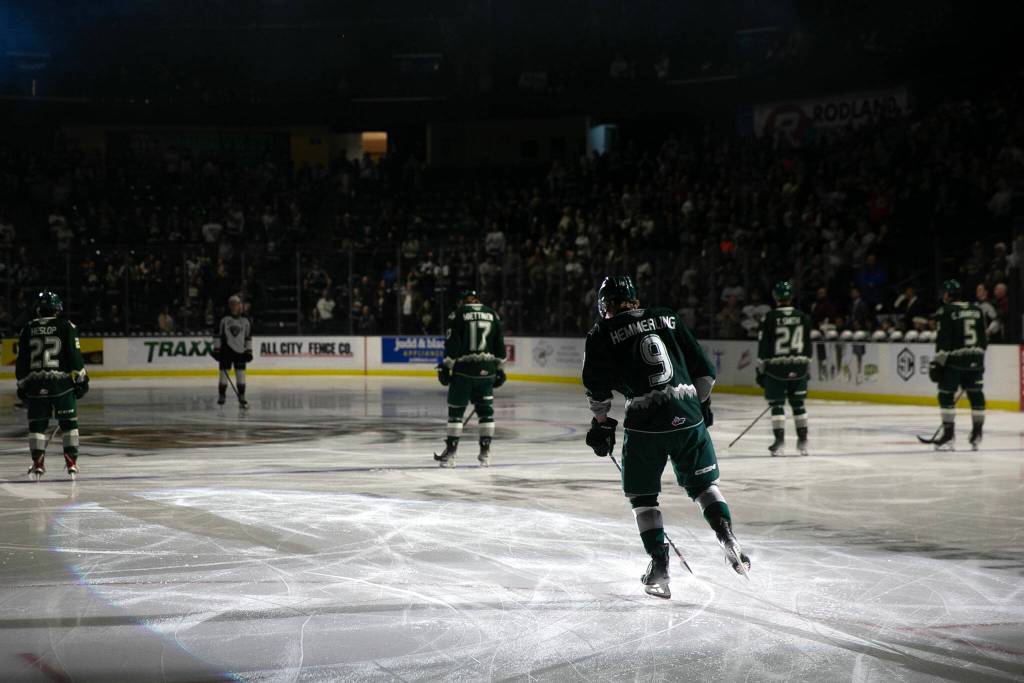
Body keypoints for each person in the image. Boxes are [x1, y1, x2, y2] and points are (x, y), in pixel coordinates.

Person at [582, 275, 749, 599]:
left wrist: (601, 424)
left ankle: (659, 564)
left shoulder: (601, 332)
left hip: (645, 423)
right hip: (687, 412)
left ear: (607, 304)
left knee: (643, 497)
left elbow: (597, 389)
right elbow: (705, 372)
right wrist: (699, 405)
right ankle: (726, 536)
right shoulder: (667, 316)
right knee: (703, 486)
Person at [15, 291, 89, 479]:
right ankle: (71, 461)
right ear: (57, 308)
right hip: (61, 386)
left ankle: (37, 462)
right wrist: (82, 380)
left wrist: (22, 385)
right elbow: (74, 357)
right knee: (69, 425)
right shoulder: (66, 326)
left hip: (35, 385)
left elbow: (22, 362)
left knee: (37, 427)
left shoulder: (27, 328)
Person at [435, 290, 506, 467]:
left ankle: (450, 454)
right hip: (487, 371)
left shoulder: (458, 314)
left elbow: (453, 345)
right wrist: (500, 370)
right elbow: (500, 345)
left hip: (464, 372)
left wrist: (446, 367)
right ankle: (485, 454)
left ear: (463, 301)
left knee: (456, 414)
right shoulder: (492, 314)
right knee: (486, 414)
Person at [928, 279, 986, 450]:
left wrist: (938, 364)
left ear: (947, 294)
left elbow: (943, 342)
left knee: (945, 395)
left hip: (954, 361)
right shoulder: (977, 310)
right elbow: (984, 339)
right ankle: (977, 434)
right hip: (976, 359)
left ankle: (948, 435)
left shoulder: (945, 311)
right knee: (976, 395)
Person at [757, 281, 813, 456]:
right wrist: (806, 367)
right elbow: (808, 344)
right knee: (799, 404)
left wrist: (760, 370)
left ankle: (779, 443)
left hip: (776, 369)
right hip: (799, 366)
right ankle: (803, 443)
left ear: (775, 297)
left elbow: (763, 346)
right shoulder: (802, 316)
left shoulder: (770, 317)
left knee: (777, 405)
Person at [212, 294, 252, 408]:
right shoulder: (224, 319)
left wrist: (249, 351)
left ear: (240, 305)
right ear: (230, 306)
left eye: (237, 304)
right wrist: (217, 350)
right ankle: (221, 394)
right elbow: (217, 335)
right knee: (223, 375)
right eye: (233, 304)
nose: (235, 306)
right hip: (226, 351)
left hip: (241, 352)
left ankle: (242, 395)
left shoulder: (246, 320)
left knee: (241, 375)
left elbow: (248, 337)